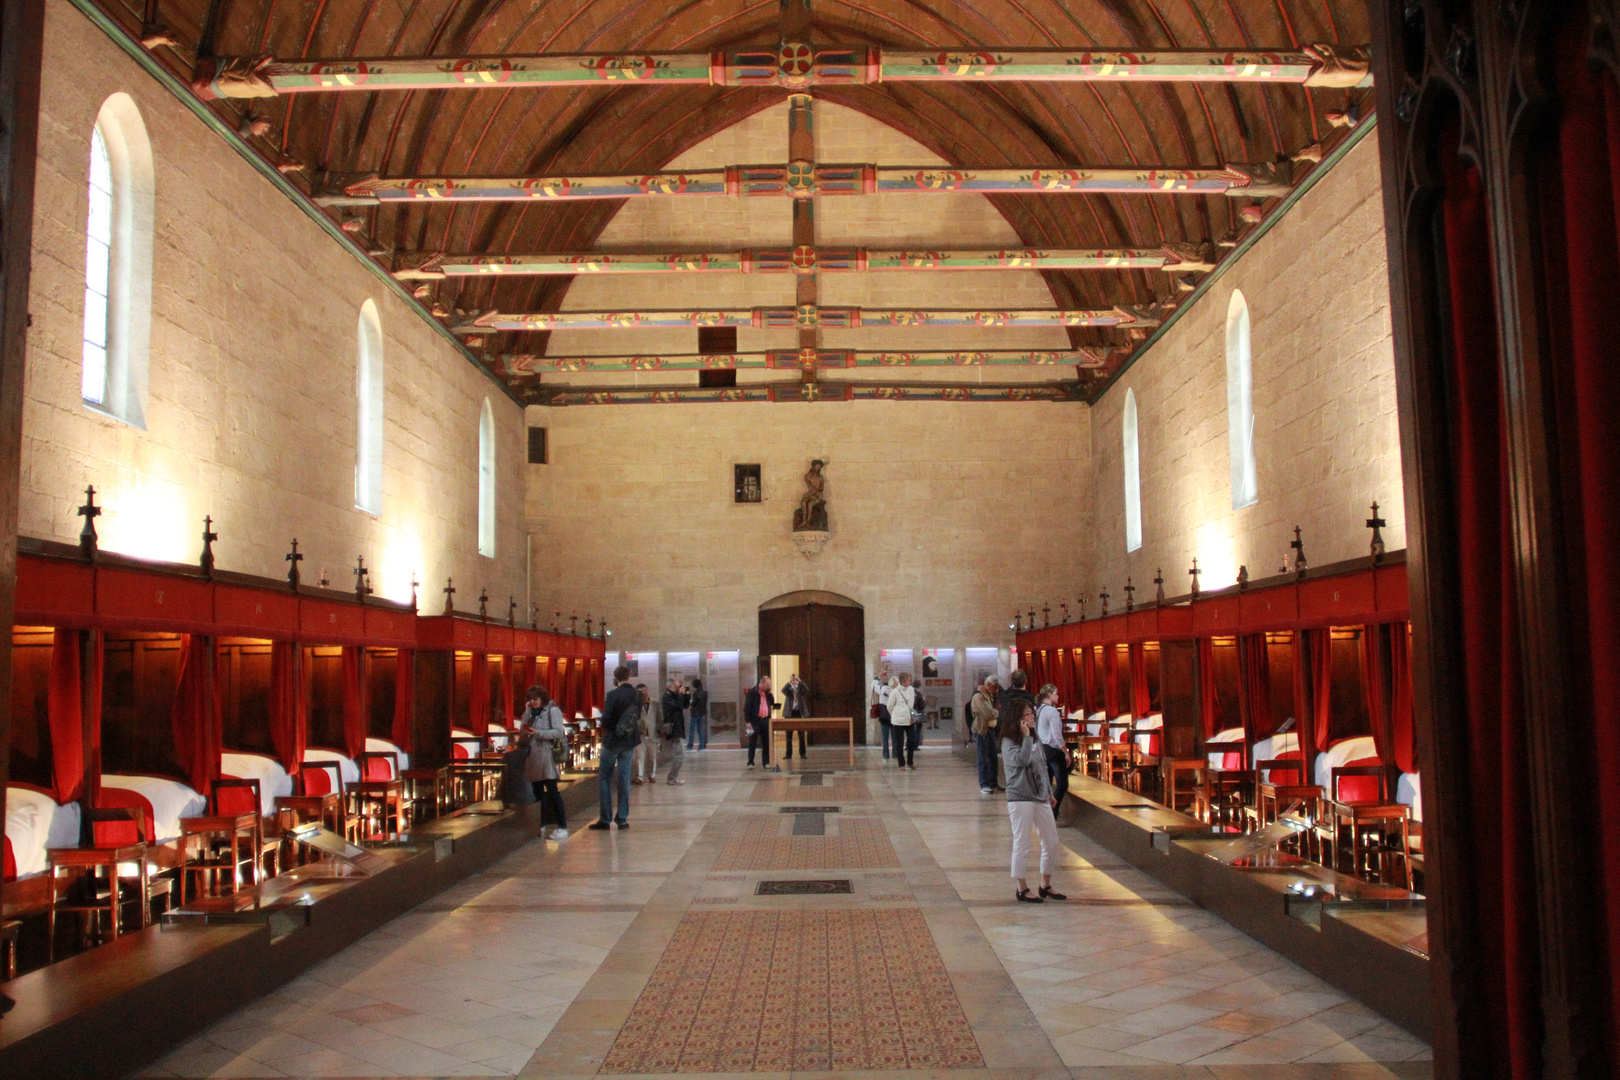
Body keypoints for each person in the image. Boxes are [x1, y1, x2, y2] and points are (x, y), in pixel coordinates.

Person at [1003, 699, 1066, 903]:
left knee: (1051, 840)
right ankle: (1021, 887)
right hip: (1020, 796)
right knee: (1022, 842)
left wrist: (1049, 792)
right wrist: (1026, 738)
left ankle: (1045, 884)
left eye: (1032, 714)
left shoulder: (1036, 738)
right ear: (1018, 719)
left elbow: (1041, 766)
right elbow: (1021, 761)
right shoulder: (1009, 741)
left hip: (1039, 796)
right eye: (1027, 714)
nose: (1032, 717)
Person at [592, 666, 640, 830]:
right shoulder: (636, 694)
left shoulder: (612, 695)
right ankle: (622, 818)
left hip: (613, 741)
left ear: (615, 677)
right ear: (629, 676)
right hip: (630, 741)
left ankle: (605, 818)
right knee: (624, 779)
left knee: (605, 777)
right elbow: (636, 718)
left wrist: (613, 727)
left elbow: (605, 720)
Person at [522, 685, 568, 840]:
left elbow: (557, 732)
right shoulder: (531, 714)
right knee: (537, 793)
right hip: (533, 756)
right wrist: (527, 714)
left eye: (535, 699)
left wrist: (539, 733)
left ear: (542, 698)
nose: (533, 702)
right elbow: (523, 732)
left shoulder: (552, 711)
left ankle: (562, 826)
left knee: (553, 791)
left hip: (546, 755)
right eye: (531, 699)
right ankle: (540, 825)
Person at [1036, 683, 1070, 825]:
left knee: (1048, 783)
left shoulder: (1037, 709)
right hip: (1053, 749)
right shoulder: (1052, 711)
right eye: (1056, 693)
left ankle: (1045, 815)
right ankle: (1053, 815)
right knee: (1062, 783)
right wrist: (1065, 751)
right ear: (1049, 695)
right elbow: (1057, 734)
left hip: (1042, 747)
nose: (1058, 696)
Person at [970, 676, 1001, 794]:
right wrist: (996, 712)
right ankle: (984, 784)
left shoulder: (990, 696)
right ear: (988, 685)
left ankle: (993, 782)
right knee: (983, 758)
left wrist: (995, 711)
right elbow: (988, 713)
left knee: (993, 758)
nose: (996, 690)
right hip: (982, 730)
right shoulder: (978, 696)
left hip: (991, 730)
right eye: (995, 687)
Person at [660, 675, 690, 784]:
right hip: (673, 729)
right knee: (679, 755)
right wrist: (681, 695)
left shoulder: (674, 695)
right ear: (670, 686)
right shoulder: (667, 697)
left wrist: (686, 695)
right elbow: (677, 705)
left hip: (678, 727)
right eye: (677, 687)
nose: (679, 689)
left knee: (679, 754)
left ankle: (673, 777)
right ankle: (672, 777)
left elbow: (684, 705)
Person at [743, 675, 776, 769]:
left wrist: (770, 692)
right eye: (767, 684)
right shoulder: (752, 693)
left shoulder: (767, 693)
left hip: (765, 720)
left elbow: (772, 702)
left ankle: (766, 762)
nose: (768, 686)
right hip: (754, 721)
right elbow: (747, 707)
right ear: (761, 683)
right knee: (752, 741)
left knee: (766, 742)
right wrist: (747, 721)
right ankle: (750, 762)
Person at [888, 673, 917, 770]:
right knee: (899, 742)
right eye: (908, 680)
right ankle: (901, 764)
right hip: (898, 720)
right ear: (902, 681)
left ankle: (910, 761)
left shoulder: (912, 690)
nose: (909, 682)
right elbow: (890, 706)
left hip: (909, 720)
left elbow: (911, 703)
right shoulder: (895, 692)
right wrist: (895, 715)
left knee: (911, 740)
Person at [781, 672, 811, 760]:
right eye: (793, 680)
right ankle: (788, 754)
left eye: (795, 680)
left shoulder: (801, 689)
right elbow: (783, 690)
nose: (794, 681)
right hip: (790, 713)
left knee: (801, 735)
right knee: (788, 735)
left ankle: (802, 754)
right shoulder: (788, 689)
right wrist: (789, 682)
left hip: (799, 712)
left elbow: (807, 689)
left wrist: (800, 682)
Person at [633, 684, 657, 783]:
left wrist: (660, 730)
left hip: (652, 733)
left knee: (652, 756)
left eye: (644, 690)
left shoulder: (655, 704)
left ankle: (651, 774)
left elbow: (659, 717)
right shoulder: (635, 705)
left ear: (647, 690)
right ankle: (640, 776)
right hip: (640, 733)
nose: (643, 693)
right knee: (640, 756)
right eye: (640, 691)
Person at [872, 667, 893, 759]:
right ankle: (895, 754)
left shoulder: (881, 689)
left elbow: (873, 686)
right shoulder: (895, 691)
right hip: (893, 716)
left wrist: (878, 678)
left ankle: (885, 755)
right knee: (895, 737)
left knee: (885, 737)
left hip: (884, 716)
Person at [686, 678, 709, 750]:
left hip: (695, 713)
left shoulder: (696, 694)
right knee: (700, 730)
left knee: (692, 730)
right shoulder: (705, 693)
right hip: (702, 713)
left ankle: (690, 745)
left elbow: (693, 704)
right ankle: (701, 745)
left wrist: (690, 701)